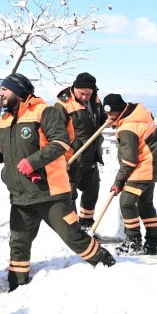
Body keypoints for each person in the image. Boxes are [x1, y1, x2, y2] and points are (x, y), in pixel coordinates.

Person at [0, 72, 115, 291]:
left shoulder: (44, 111)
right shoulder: (5, 118)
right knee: (18, 244)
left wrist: (32, 162)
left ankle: (111, 267)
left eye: (4, 89)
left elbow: (60, 142)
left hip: (51, 193)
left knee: (74, 238)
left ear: (18, 92)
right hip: (21, 195)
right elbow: (1, 151)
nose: (0, 94)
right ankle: (17, 287)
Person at [102, 93, 157, 255]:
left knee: (126, 203)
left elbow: (129, 160)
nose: (109, 117)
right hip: (152, 166)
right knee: (145, 204)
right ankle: (153, 242)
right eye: (107, 114)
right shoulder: (137, 115)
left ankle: (134, 241)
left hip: (142, 169)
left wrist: (119, 182)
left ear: (119, 110)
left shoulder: (128, 128)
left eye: (112, 114)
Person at [54, 72, 107, 229]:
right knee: (70, 196)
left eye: (88, 94)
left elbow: (101, 118)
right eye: (81, 93)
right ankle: (73, 231)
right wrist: (61, 159)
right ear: (74, 88)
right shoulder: (63, 105)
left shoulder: (95, 99)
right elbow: (56, 134)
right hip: (72, 158)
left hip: (91, 156)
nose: (84, 97)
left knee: (92, 192)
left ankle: (86, 226)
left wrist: (109, 119)